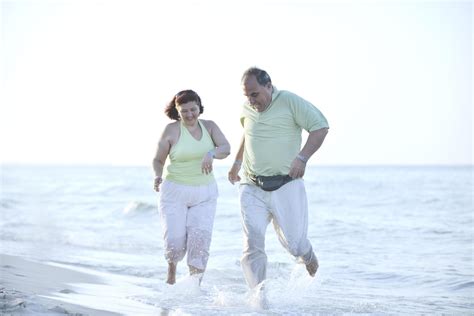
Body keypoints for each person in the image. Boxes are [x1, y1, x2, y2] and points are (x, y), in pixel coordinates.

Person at [228, 67, 329, 290]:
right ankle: (258, 298)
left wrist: (302, 158)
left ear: (269, 86)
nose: (251, 100)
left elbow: (320, 127)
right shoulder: (247, 108)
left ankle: (307, 254)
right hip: (252, 184)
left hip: (287, 184)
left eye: (255, 94)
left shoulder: (289, 101)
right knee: (252, 242)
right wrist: (236, 164)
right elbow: (248, 133)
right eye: (247, 95)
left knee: (294, 244)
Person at [153, 89, 230, 285]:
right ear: (177, 111)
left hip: (204, 193)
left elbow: (226, 148)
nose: (189, 115)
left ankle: (194, 288)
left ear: (199, 107)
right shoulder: (171, 130)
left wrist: (211, 153)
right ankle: (171, 271)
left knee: (200, 243)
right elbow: (158, 160)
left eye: (193, 109)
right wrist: (157, 176)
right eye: (184, 111)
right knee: (175, 243)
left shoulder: (210, 127)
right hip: (174, 192)